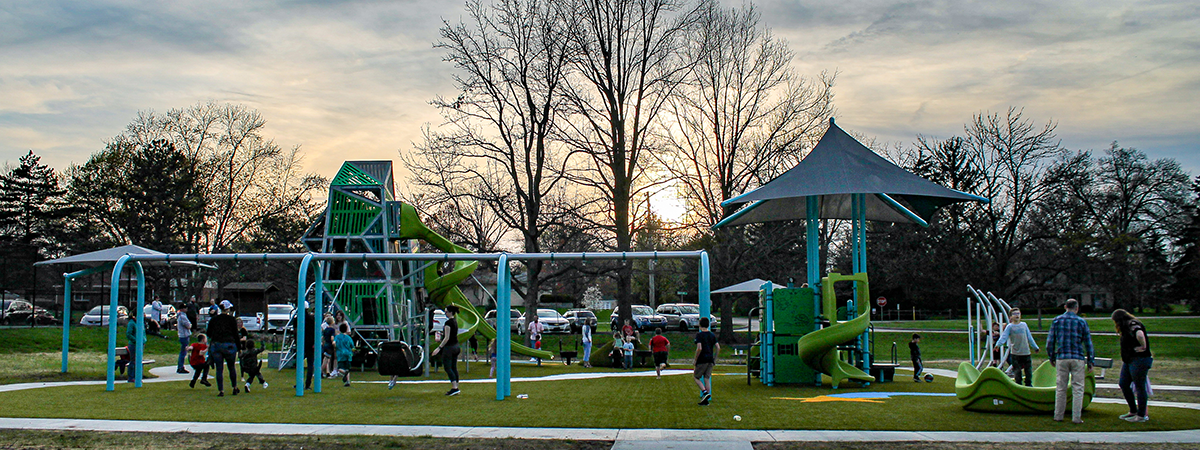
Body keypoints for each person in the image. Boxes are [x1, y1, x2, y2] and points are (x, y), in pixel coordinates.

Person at [1046, 298, 1094, 424]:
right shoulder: (1081, 322)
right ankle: (1076, 417)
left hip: (1062, 357)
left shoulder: (1057, 321)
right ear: (1077, 308)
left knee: (1061, 387)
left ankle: (1058, 415)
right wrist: (1090, 360)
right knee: (1078, 388)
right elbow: (1088, 343)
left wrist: (1051, 356)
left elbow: (1050, 341)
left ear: (1065, 307)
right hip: (1077, 357)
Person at [1112, 309, 1153, 423]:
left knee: (1140, 387)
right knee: (1123, 383)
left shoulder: (1132, 324)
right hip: (1130, 360)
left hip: (1139, 359)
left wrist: (1143, 346)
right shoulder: (1128, 326)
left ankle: (1141, 415)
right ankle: (1133, 410)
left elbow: (1139, 333)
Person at [995, 308, 1039, 386]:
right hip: (1015, 353)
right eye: (1014, 314)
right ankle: (1018, 385)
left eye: (1018, 313)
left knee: (1028, 371)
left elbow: (1029, 337)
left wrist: (1035, 347)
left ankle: (1028, 384)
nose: (1017, 315)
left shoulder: (1024, 325)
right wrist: (998, 345)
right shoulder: (1010, 326)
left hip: (1026, 352)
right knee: (1017, 371)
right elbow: (1004, 337)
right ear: (1010, 317)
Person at [206, 301, 241, 397]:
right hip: (229, 344)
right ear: (228, 309)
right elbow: (236, 334)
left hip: (216, 345)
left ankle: (221, 390)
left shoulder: (214, 319)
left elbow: (208, 333)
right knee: (231, 367)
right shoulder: (231, 320)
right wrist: (239, 348)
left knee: (219, 369)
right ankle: (234, 387)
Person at [432, 305, 461, 396]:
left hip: (449, 348)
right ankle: (456, 386)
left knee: (448, 367)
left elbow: (447, 338)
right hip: (456, 346)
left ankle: (454, 387)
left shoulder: (448, 323)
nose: (445, 313)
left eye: (446, 312)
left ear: (451, 312)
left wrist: (439, 348)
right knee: (453, 367)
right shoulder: (455, 322)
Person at [693, 317, 718, 406]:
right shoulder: (712, 335)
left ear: (700, 325)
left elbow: (699, 348)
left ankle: (704, 392)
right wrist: (715, 358)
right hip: (710, 359)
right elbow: (718, 347)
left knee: (696, 377)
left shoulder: (699, 335)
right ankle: (706, 400)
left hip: (702, 359)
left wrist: (695, 359)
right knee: (707, 378)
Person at [334, 322, 354, 387]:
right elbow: (352, 345)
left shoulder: (337, 337)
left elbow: (334, 343)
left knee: (339, 368)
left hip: (340, 354)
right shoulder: (348, 337)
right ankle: (348, 381)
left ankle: (344, 373)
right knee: (347, 368)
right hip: (348, 354)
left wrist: (335, 346)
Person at [176, 303, 192, 374]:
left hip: (183, 335)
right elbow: (188, 325)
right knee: (183, 352)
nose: (186, 309)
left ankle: (180, 366)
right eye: (185, 308)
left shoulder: (181, 316)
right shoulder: (182, 316)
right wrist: (190, 325)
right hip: (184, 336)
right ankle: (180, 367)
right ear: (182, 309)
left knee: (183, 352)